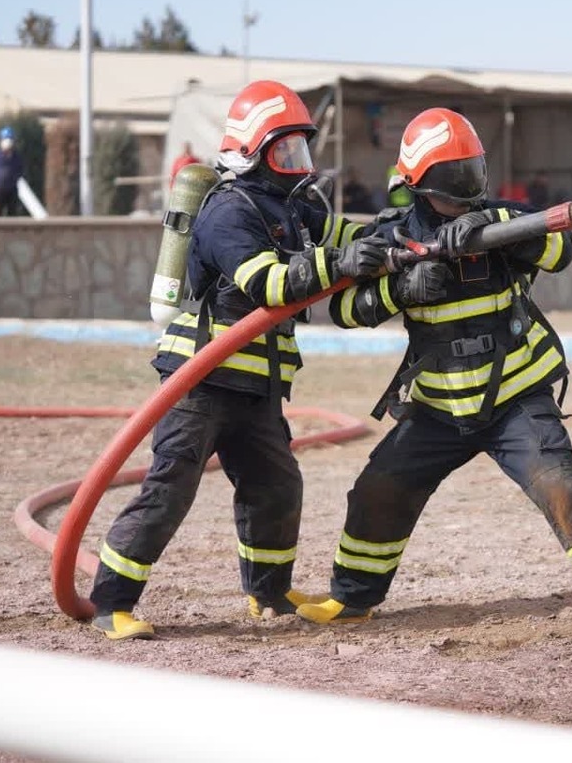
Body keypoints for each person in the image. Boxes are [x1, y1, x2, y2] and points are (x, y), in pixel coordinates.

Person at [298, 107, 572, 645]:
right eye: (454, 177)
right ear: (418, 183)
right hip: (438, 407)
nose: (467, 186)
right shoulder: (392, 237)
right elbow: (345, 310)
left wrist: (499, 230)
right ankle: (353, 600)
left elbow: (562, 248)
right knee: (379, 489)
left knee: (561, 488)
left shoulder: (505, 221)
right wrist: (399, 290)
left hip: (515, 398)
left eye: (472, 172)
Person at [87, 80, 388, 641]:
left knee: (276, 487)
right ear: (250, 153)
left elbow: (350, 236)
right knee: (170, 488)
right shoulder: (228, 210)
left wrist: (410, 229)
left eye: (300, 149)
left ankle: (268, 595)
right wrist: (341, 261)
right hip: (200, 380)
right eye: (283, 151)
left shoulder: (295, 210)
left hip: (258, 385)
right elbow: (269, 284)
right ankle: (111, 602)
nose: (296, 163)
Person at [0, 126, 23, 217]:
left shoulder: (16, 156)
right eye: (5, 138)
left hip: (12, 189)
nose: (8, 141)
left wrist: (14, 178)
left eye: (10, 138)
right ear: (1, 140)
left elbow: (20, 170)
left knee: (12, 214)